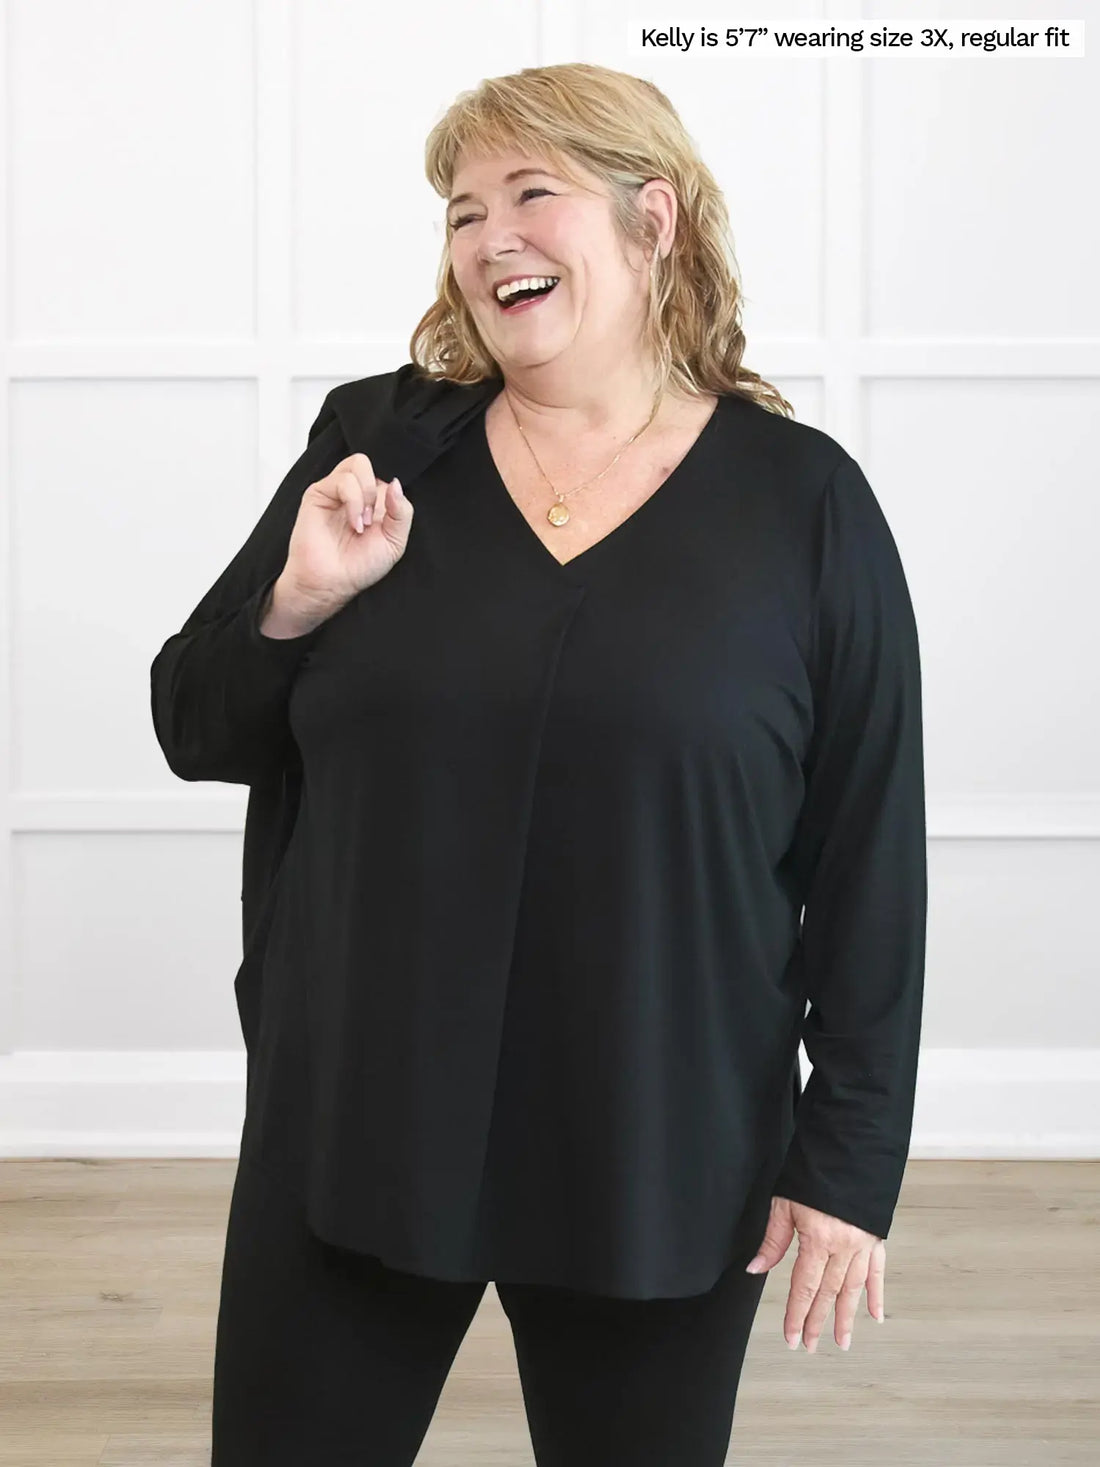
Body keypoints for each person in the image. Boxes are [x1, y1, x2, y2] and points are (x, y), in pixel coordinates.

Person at [151, 61, 927, 1467]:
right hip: (359, 1123)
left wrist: (848, 1166)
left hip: (659, 1144)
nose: (488, 236)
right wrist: (302, 595)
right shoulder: (379, 452)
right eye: (461, 212)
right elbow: (195, 724)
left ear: (655, 221)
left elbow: (871, 860)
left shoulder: (804, 507)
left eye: (531, 194)